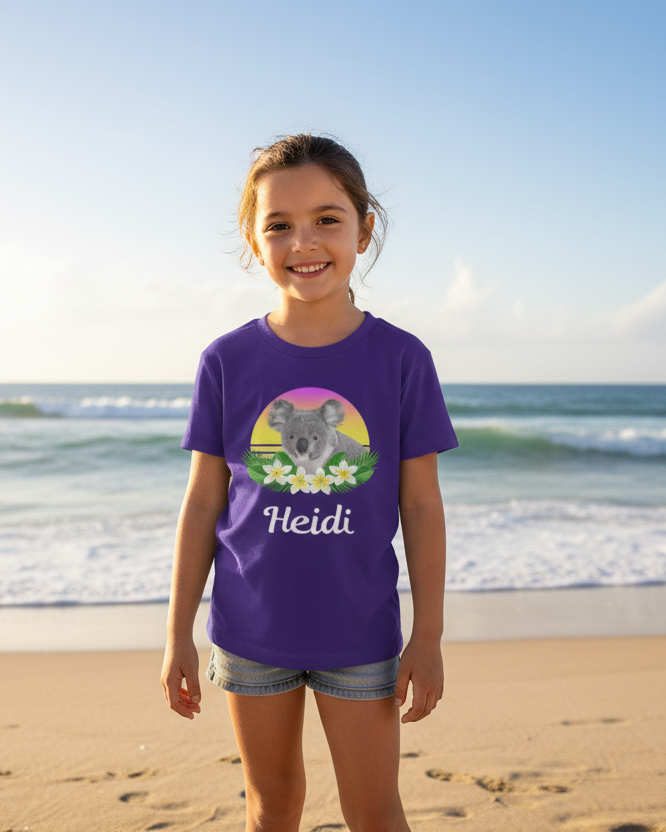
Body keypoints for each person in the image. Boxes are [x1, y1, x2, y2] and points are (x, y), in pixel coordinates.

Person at [160, 133, 459, 832]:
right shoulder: (227, 360)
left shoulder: (402, 359)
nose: (305, 241)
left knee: (376, 814)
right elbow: (204, 501)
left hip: (361, 633)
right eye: (279, 224)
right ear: (252, 237)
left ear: (364, 228)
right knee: (272, 806)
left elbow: (420, 505)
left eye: (327, 218)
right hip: (249, 630)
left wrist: (430, 635)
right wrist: (178, 631)